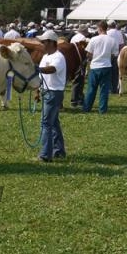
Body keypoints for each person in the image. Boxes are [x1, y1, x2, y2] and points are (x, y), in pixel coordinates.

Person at [36, 30, 67, 162]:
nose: (42, 44)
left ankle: (45, 155)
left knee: (46, 123)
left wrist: (37, 68)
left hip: (54, 92)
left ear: (51, 42)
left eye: (44, 42)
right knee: (53, 123)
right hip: (46, 91)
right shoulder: (45, 56)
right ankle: (59, 151)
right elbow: (41, 76)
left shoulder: (58, 57)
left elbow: (52, 69)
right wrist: (37, 90)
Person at [82, 20, 116, 114]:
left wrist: (93, 58)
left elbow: (88, 54)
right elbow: (113, 55)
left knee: (91, 89)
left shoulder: (93, 39)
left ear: (100, 28)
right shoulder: (112, 40)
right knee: (104, 90)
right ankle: (102, 109)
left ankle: (87, 108)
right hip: (106, 66)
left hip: (95, 67)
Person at [69, 24, 90, 108]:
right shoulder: (83, 39)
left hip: (72, 60)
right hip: (80, 60)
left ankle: (79, 98)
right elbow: (85, 51)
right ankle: (74, 100)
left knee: (78, 79)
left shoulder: (74, 37)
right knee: (79, 80)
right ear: (84, 32)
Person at [106, 20, 124, 92]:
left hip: (108, 55)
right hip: (116, 55)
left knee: (108, 72)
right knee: (115, 72)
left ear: (108, 26)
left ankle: (109, 88)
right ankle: (115, 88)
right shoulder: (119, 33)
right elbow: (121, 45)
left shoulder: (107, 33)